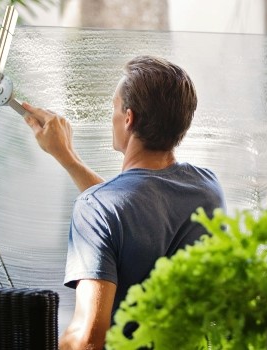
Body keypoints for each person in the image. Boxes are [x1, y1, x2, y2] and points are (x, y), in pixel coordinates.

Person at [22, 55, 225, 349]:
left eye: (114, 108)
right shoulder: (207, 188)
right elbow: (134, 209)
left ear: (128, 119)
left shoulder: (97, 208)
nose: (112, 116)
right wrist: (68, 158)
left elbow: (88, 339)